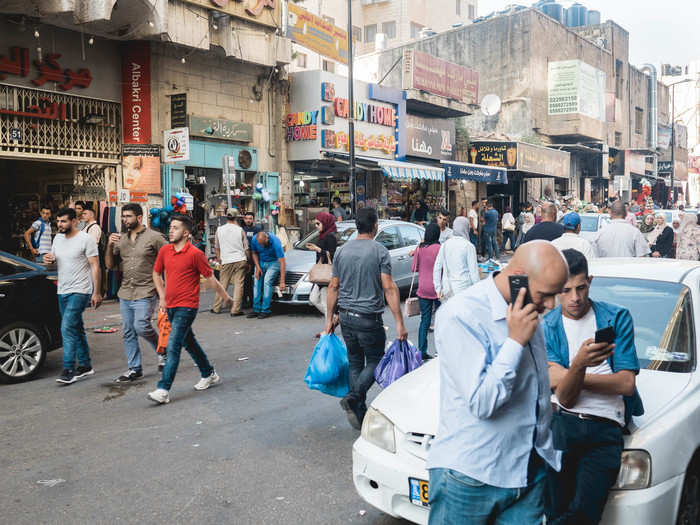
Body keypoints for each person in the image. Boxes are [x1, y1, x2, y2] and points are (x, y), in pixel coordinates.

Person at [427, 241, 569, 525]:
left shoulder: (528, 308)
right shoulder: (461, 315)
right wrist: (515, 341)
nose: (551, 305)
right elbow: (482, 403)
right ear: (517, 274)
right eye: (546, 294)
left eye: (556, 295)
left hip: (528, 468)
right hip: (472, 475)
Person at [544, 249, 642, 525]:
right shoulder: (548, 326)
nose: (575, 298)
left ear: (590, 281)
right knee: (556, 511)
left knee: (584, 513)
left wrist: (573, 372)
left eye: (581, 288)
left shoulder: (616, 317)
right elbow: (565, 398)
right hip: (562, 425)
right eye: (566, 290)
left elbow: (625, 383)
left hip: (604, 428)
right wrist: (580, 365)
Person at [325, 207, 408, 430]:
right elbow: (389, 288)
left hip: (346, 317)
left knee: (355, 362)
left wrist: (329, 319)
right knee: (376, 360)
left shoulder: (342, 251)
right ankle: (355, 396)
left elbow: (333, 286)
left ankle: (358, 410)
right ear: (374, 226)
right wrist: (400, 323)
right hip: (368, 318)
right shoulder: (379, 251)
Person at [147, 214, 233, 405]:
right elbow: (155, 273)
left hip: (187, 306)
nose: (171, 230)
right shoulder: (165, 251)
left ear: (186, 233)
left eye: (175, 227)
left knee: (174, 345)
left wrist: (226, 297)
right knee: (189, 342)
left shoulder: (196, 254)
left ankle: (163, 389)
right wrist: (161, 296)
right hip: (170, 305)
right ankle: (208, 373)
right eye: (170, 227)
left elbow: (211, 279)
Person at [105, 203, 168, 381]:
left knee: (141, 326)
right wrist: (109, 246)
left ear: (139, 218)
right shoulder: (121, 239)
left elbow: (169, 259)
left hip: (146, 289)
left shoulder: (155, 237)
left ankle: (163, 351)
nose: (125, 220)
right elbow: (110, 265)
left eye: (128, 216)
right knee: (128, 331)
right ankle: (134, 368)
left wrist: (165, 286)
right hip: (125, 291)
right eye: (123, 216)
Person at [43, 208, 102, 385]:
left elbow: (95, 266)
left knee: (67, 327)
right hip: (62, 289)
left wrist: (97, 291)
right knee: (76, 327)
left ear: (74, 222)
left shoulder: (86, 239)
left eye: (63, 221)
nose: (59, 225)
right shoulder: (57, 239)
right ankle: (85, 365)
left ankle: (69, 369)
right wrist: (48, 263)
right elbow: (53, 268)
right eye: (58, 221)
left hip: (81, 290)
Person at [411, 223, 442, 361]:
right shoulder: (440, 249)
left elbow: (414, 268)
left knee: (425, 321)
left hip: (423, 288)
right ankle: (440, 350)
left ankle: (421, 351)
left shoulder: (419, 249)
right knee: (441, 321)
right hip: (437, 288)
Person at [212, 208, 249, 316]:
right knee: (239, 285)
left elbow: (216, 247)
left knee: (222, 284)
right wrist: (248, 260)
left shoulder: (219, 230)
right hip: (240, 259)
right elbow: (246, 247)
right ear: (236, 217)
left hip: (226, 260)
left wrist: (220, 259)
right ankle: (235, 310)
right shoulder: (240, 230)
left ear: (226, 216)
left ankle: (216, 307)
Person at [433, 216, 480, 300]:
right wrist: (478, 291)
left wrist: (438, 288)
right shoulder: (468, 246)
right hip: (464, 288)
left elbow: (437, 267)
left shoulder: (445, 244)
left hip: (447, 288)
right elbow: (474, 272)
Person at [248, 231, 286, 319]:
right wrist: (257, 267)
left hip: (274, 262)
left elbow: (282, 262)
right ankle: (256, 309)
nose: (262, 246)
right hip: (261, 262)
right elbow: (254, 253)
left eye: (264, 244)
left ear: (267, 238)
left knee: (267, 282)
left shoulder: (275, 241)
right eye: (260, 245)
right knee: (257, 282)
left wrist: (282, 281)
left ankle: (265, 310)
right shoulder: (254, 239)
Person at [306, 212, 338, 316]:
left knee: (325, 303)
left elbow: (333, 255)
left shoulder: (331, 236)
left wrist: (318, 249)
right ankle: (334, 318)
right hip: (320, 274)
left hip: (327, 274)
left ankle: (329, 328)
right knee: (313, 299)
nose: (316, 226)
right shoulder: (322, 235)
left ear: (325, 223)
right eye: (315, 224)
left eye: (318, 224)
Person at [241, 212, 262, 308]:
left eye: (250, 218)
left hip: (255, 258)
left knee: (254, 281)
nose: (248, 220)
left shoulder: (257, 230)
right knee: (245, 280)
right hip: (244, 258)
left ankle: (254, 300)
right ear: (244, 219)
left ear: (253, 219)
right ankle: (244, 300)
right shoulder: (242, 230)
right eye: (247, 218)